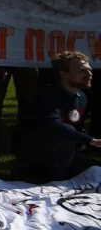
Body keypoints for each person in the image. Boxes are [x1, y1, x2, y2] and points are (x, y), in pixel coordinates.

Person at [14, 51, 97, 181]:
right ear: (64, 74)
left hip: (63, 149)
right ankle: (47, 176)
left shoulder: (82, 97)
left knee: (92, 171)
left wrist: (81, 141)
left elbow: (76, 125)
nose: (89, 74)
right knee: (66, 134)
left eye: (90, 70)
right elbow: (54, 125)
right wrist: (89, 140)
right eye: (82, 70)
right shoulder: (48, 94)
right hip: (36, 148)